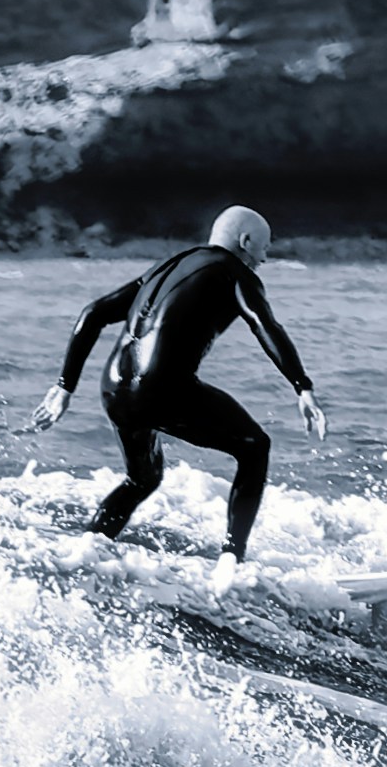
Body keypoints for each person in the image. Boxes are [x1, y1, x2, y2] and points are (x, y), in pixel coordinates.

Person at [38, 203, 325, 563]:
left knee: (142, 479)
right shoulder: (234, 271)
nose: (265, 258)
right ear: (245, 240)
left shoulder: (168, 266)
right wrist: (303, 386)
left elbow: (93, 314)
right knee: (254, 446)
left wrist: (64, 386)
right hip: (161, 389)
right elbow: (265, 324)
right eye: (265, 248)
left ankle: (86, 553)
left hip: (115, 390)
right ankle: (232, 559)